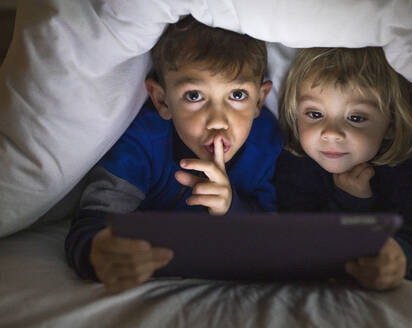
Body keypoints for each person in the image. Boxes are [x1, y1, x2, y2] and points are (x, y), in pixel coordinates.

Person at [65, 16, 283, 293]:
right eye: (194, 96)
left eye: (237, 95)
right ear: (162, 100)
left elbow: (272, 235)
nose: (218, 120)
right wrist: (98, 252)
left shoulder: (266, 141)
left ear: (260, 100)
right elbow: (93, 221)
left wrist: (231, 208)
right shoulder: (142, 141)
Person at [274, 47, 412, 291]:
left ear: (391, 125)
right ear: (294, 115)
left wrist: (403, 254)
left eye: (356, 118)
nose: (331, 133)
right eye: (314, 113)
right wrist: (352, 201)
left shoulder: (402, 166)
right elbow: (298, 229)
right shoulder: (294, 163)